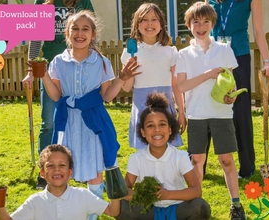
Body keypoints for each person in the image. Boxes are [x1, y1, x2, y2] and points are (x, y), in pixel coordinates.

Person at [40, 10, 140, 220]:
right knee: (63, 168)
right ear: (67, 33)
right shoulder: (58, 61)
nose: (80, 33)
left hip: (93, 123)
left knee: (95, 171)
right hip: (67, 122)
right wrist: (44, 76)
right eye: (75, 28)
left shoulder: (102, 62)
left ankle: (91, 216)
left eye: (85, 29)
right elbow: (56, 95)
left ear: (93, 34)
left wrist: (120, 80)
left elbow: (107, 96)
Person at [175, 2, 246, 219]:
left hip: (221, 114)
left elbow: (231, 83)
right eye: (196, 21)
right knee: (197, 160)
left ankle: (236, 205)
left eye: (206, 21)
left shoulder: (224, 50)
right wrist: (207, 74)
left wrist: (230, 96)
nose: (201, 25)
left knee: (226, 160)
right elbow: (182, 87)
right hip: (196, 114)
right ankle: (197, 205)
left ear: (212, 24)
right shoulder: (184, 54)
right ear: (189, 25)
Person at [22, 0, 94, 190]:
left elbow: (90, 31)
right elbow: (36, 37)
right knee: (49, 122)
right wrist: (31, 72)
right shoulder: (44, 2)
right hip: (50, 69)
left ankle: (79, 169)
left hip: (76, 66)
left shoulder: (82, 1)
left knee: (79, 120)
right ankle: (45, 172)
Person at [205, 0, 269, 179]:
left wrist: (267, 61)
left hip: (239, 57)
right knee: (206, 107)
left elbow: (259, 31)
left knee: (241, 111)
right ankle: (198, 165)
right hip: (213, 57)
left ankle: (247, 168)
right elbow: (203, 26)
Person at [115, 92, 211, 220]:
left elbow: (196, 191)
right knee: (120, 207)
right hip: (149, 210)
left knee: (200, 207)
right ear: (143, 132)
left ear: (170, 129)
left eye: (162, 124)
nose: (157, 130)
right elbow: (125, 190)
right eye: (150, 126)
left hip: (177, 209)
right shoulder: (136, 159)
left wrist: (167, 195)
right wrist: (143, 195)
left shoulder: (180, 157)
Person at [0, 144, 120, 220]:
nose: (56, 169)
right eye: (50, 166)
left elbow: (113, 211)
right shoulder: (35, 201)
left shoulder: (83, 196)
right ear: (42, 173)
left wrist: (115, 192)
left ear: (70, 172)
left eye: (62, 165)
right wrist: (0, 206)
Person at [121, 3, 186, 150]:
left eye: (154, 19)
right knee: (144, 151)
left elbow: (176, 86)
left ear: (161, 25)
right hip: (141, 105)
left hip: (165, 106)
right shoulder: (130, 52)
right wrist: (129, 69)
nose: (149, 23)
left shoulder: (170, 52)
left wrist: (181, 112)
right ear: (137, 25)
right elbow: (126, 88)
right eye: (144, 19)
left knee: (168, 149)